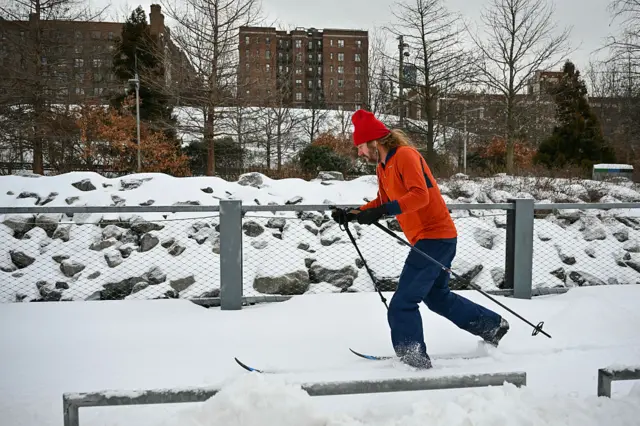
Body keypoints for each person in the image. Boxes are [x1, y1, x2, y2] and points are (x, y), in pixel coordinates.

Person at [331, 109, 509, 369]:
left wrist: (381, 211)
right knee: (437, 297)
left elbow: (419, 196)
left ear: (373, 142)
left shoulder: (405, 156)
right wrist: (354, 214)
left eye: (360, 146)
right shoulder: (383, 166)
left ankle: (412, 356)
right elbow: (384, 201)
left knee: (403, 302)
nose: (359, 152)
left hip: (435, 237)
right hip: (431, 239)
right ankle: (492, 326)